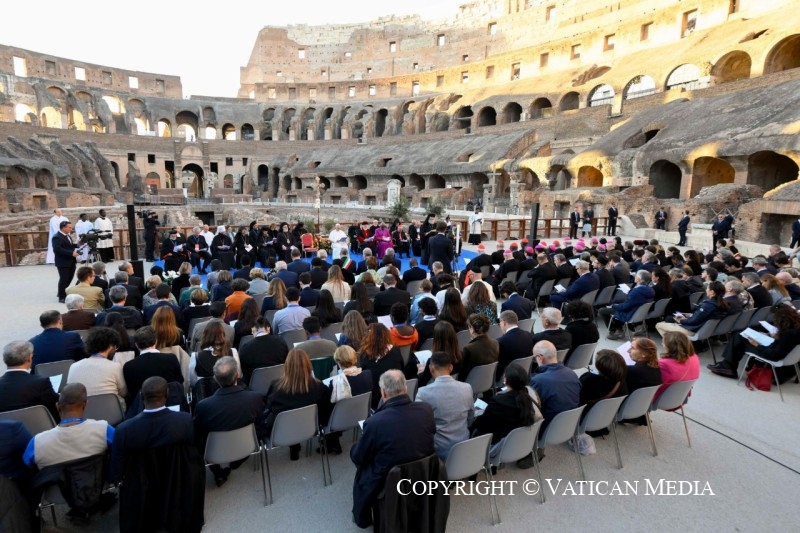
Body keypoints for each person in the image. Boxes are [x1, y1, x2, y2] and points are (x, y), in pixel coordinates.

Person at [110, 377, 204, 533]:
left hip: (141, 493)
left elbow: (115, 473)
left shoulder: (124, 430)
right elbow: (194, 454)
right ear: (167, 394)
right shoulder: (184, 420)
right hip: (178, 485)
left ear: (141, 396)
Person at [350, 370, 435, 529]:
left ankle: (363, 517)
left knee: (362, 470)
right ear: (405, 387)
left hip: (388, 479)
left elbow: (358, 457)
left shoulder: (374, 423)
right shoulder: (426, 410)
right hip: (422, 473)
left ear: (383, 393)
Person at [193, 356, 265, 487]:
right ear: (237, 375)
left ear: (215, 378)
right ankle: (237, 461)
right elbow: (260, 428)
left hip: (214, 452)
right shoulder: (255, 398)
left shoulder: (204, 406)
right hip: (247, 446)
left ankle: (218, 473)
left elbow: (198, 435)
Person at [23, 383, 114, 474]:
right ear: (85, 404)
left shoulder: (37, 443)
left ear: (57, 407)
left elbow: (26, 468)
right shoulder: (104, 430)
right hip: (98, 482)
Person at [265, 349, 331, 460]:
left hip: (281, 432)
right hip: (309, 428)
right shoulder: (319, 387)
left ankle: (294, 446)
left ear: (287, 366)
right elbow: (325, 409)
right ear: (308, 365)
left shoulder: (276, 387)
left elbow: (269, 406)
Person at [471, 364, 540, 467]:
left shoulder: (499, 401)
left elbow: (483, 426)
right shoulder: (528, 398)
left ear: (506, 380)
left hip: (495, 444)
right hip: (516, 443)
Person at [708, 304, 800, 379]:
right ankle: (727, 366)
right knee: (740, 336)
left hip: (772, 355)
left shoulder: (789, 334)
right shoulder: (795, 329)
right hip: (778, 352)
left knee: (739, 338)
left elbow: (774, 355)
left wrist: (756, 345)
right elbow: (782, 346)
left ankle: (728, 366)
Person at [415, 351, 474, 460]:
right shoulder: (467, 388)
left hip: (437, 452)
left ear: (431, 368)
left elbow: (419, 426)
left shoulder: (423, 393)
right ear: (451, 367)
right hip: (464, 447)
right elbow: (470, 419)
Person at [66, 327, 127, 407]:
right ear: (111, 346)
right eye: (116, 347)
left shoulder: (74, 366)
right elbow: (123, 392)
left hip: (82, 410)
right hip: (111, 410)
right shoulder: (115, 366)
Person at [0, 341, 60, 421]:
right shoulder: (41, 383)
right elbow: (57, 408)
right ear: (29, 358)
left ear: (4, 360)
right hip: (39, 427)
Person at [123, 327, 184, 406]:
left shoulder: (129, 367)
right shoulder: (171, 359)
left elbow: (131, 392)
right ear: (156, 341)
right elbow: (180, 381)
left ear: (136, 345)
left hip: (143, 407)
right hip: (171, 404)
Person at [530, 340, 581, 431]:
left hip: (547, 429)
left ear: (540, 358)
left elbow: (530, 408)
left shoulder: (538, 380)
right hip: (570, 425)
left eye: (535, 358)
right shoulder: (572, 374)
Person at [655, 281, 728, 338]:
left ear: (712, 292)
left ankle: (674, 345)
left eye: (707, 288)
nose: (706, 289)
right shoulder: (721, 304)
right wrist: (688, 315)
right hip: (701, 328)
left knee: (659, 325)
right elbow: (701, 316)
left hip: (692, 329)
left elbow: (694, 321)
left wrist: (681, 321)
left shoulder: (708, 305)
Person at [358, 323, 406, 409]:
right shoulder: (396, 350)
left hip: (374, 402)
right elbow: (402, 370)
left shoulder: (364, 355)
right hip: (396, 396)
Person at [603, 270, 655, 340]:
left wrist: (614, 306)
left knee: (602, 311)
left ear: (639, 279)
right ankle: (619, 329)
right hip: (638, 313)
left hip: (629, 313)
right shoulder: (650, 290)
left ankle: (614, 330)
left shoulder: (636, 292)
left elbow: (625, 307)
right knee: (616, 303)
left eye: (636, 276)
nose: (634, 277)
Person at [655, 331, 700, 402]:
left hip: (663, 399)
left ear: (669, 347)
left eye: (663, 343)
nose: (662, 344)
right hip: (682, 397)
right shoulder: (694, 358)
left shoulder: (664, 364)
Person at [459, 313, 499, 383]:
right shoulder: (495, 343)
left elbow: (462, 375)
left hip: (472, 384)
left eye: (468, 327)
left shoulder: (468, 349)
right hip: (489, 382)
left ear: (472, 328)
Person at [496, 310, 534, 378]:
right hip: (525, 374)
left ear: (503, 323)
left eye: (499, 323)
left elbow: (500, 367)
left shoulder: (501, 341)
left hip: (509, 377)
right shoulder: (528, 335)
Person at [53, 220, 79, 303]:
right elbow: (58, 249)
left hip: (71, 261)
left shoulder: (68, 235)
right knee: (64, 279)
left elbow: (69, 245)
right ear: (63, 228)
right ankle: (61, 297)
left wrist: (77, 245)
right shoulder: (57, 237)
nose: (71, 229)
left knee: (69, 278)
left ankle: (62, 292)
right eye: (69, 227)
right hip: (63, 262)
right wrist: (71, 253)